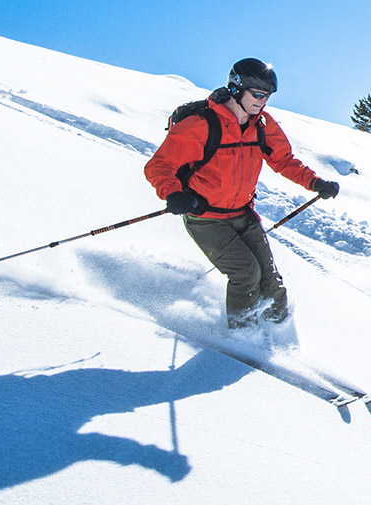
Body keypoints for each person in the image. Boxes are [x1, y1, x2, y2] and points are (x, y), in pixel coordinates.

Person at [144, 58, 339, 328]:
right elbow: (159, 166)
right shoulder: (202, 125)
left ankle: (277, 334)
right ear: (236, 88)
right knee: (246, 273)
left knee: (270, 280)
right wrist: (173, 193)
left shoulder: (262, 125)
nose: (262, 101)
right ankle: (242, 339)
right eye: (257, 94)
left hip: (243, 213)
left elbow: (283, 160)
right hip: (206, 218)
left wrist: (315, 183)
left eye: (267, 96)